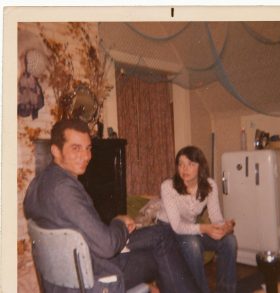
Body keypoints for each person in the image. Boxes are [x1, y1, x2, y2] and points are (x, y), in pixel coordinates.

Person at [23, 119, 199, 293]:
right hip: (93, 277)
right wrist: (120, 223)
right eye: (76, 148)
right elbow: (107, 246)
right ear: (55, 151)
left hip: (75, 267)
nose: (86, 156)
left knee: (161, 234)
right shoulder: (63, 189)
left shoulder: (39, 184)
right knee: (162, 251)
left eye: (88, 148)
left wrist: (113, 226)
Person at [156, 145, 237, 293]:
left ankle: (226, 290)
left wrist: (225, 227)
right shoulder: (168, 187)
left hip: (191, 230)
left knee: (229, 241)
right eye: (180, 164)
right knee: (193, 244)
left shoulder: (210, 185)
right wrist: (205, 228)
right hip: (168, 231)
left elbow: (216, 217)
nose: (184, 169)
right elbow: (177, 226)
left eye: (190, 164)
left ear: (200, 166)